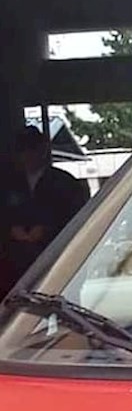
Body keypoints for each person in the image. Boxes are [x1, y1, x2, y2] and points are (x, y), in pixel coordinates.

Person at [0, 126, 90, 296]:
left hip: (55, 256)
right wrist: (11, 230)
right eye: (23, 150)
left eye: (32, 149)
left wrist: (47, 229)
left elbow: (78, 217)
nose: (28, 155)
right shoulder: (8, 184)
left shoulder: (65, 182)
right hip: (16, 264)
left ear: (42, 150)